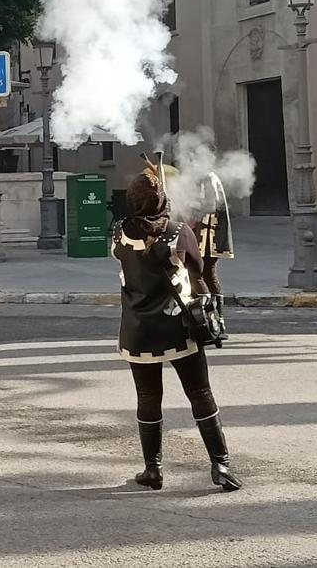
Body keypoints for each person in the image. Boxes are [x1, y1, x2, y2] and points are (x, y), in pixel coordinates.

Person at [111, 158, 241, 493]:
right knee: (200, 393)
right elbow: (199, 268)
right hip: (176, 325)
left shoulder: (118, 234)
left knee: (148, 398)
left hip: (137, 330)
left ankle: (152, 469)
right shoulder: (177, 233)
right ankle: (220, 464)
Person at [194, 172, 234, 340]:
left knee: (198, 274)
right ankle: (215, 321)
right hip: (208, 233)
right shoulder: (208, 177)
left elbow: (208, 205)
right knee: (207, 275)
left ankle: (211, 321)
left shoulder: (207, 178)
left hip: (207, 234)